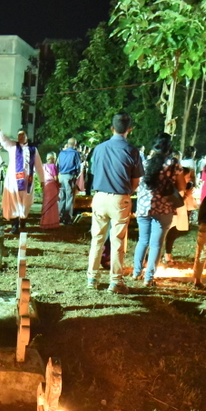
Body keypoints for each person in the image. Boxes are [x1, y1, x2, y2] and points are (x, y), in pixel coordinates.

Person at [86, 112, 143, 293]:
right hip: (120, 198)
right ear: (129, 130)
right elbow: (136, 181)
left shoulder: (99, 149)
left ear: (112, 128)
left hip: (99, 197)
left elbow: (93, 172)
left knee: (97, 239)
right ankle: (115, 281)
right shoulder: (132, 151)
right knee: (118, 241)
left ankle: (92, 278)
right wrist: (126, 193)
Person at [134, 133, 185, 287]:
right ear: (169, 147)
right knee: (156, 244)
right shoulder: (173, 164)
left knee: (142, 240)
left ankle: (136, 272)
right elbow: (182, 186)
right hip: (164, 208)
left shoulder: (144, 163)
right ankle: (148, 278)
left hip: (143, 207)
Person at [0, 114, 44, 235]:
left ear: (27, 136)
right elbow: (2, 138)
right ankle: (15, 225)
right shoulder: (12, 147)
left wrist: (42, 181)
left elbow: (39, 166)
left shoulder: (33, 150)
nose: (20, 137)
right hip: (13, 181)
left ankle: (23, 223)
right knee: (14, 203)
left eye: (23, 135)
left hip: (27, 181)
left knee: (25, 203)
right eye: (19, 135)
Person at [163, 167, 196, 264]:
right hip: (173, 215)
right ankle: (163, 256)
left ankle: (167, 255)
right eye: (187, 177)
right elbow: (177, 202)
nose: (189, 179)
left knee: (172, 235)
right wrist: (186, 195)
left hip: (179, 215)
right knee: (166, 235)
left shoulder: (184, 188)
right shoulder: (174, 189)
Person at [57, 138, 82, 224]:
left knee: (62, 197)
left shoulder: (61, 153)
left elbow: (58, 164)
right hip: (70, 176)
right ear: (75, 144)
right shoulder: (75, 153)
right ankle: (67, 218)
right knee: (69, 198)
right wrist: (76, 176)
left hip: (61, 176)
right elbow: (78, 166)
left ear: (67, 144)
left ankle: (60, 216)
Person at [40, 151, 60, 229]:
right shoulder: (53, 166)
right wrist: (58, 184)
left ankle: (44, 223)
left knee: (46, 204)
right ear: (53, 158)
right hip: (52, 185)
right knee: (53, 205)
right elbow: (55, 178)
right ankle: (52, 223)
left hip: (45, 185)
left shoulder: (43, 166)